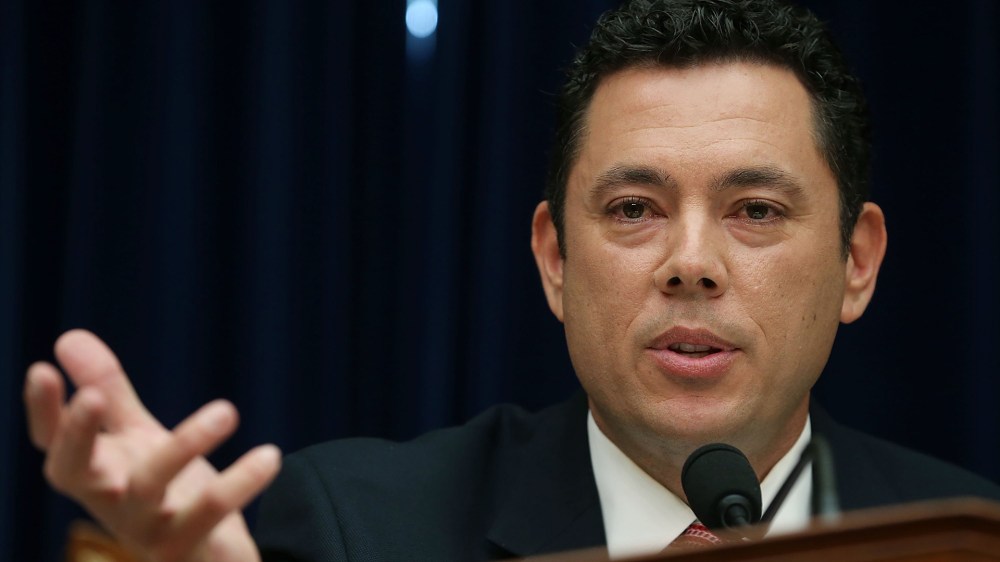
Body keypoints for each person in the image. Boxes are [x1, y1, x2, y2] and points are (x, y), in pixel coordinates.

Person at [23, 0, 1000, 560]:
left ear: (855, 263)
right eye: (632, 209)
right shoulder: (353, 529)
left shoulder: (966, 535)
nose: (690, 263)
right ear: (553, 261)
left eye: (754, 210)